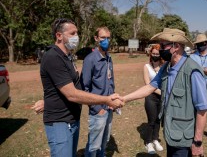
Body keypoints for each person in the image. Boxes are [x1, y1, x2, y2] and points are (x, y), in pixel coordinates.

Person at [37, 18, 123, 157]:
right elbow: (72, 93)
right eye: (72, 33)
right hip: (60, 122)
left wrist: (46, 101)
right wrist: (105, 101)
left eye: (77, 33)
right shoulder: (53, 57)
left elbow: (64, 85)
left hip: (72, 120)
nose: (76, 37)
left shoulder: (67, 57)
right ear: (59, 36)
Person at [123, 28, 207, 157]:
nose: (160, 49)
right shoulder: (166, 67)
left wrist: (197, 142)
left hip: (184, 139)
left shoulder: (193, 71)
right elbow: (150, 87)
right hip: (170, 134)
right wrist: (124, 99)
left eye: (163, 45)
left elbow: (202, 110)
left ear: (176, 46)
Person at [80, 27, 116, 157]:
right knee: (94, 144)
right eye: (102, 38)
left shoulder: (108, 58)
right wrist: (96, 107)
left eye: (108, 38)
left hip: (109, 107)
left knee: (104, 141)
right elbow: (84, 87)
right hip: (98, 109)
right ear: (96, 39)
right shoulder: (90, 59)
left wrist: (113, 101)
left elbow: (111, 81)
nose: (106, 41)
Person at [143, 44, 164, 154]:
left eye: (157, 53)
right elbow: (147, 84)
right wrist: (161, 92)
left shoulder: (164, 66)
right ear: (150, 54)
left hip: (161, 98)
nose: (155, 55)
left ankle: (155, 139)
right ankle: (148, 142)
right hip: (150, 97)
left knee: (158, 120)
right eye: (154, 53)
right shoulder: (146, 66)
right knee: (151, 120)